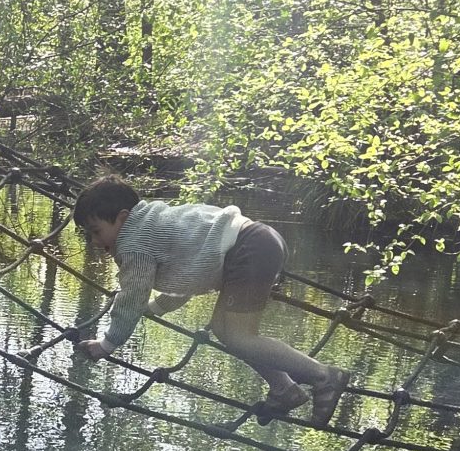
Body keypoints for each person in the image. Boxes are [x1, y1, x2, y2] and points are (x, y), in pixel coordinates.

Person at [72, 177, 347, 424]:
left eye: (96, 231)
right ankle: (284, 389)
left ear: (122, 218)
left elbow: (132, 294)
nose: (94, 240)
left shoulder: (134, 240)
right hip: (259, 241)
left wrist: (107, 344)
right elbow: (188, 275)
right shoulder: (154, 222)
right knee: (225, 331)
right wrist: (156, 308)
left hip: (248, 250)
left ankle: (323, 377)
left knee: (240, 336)